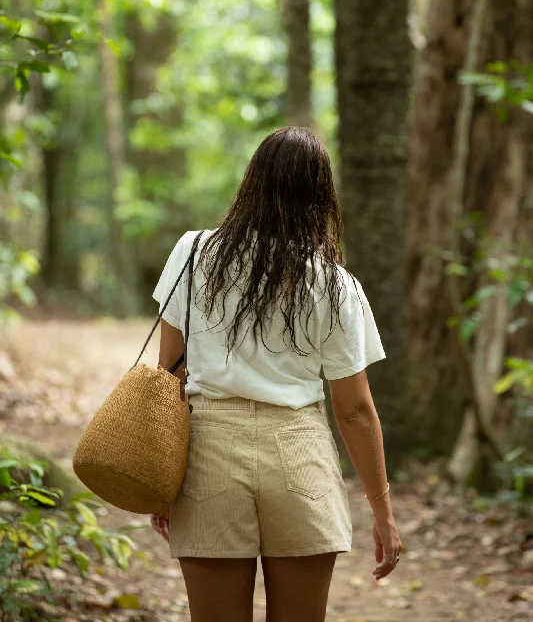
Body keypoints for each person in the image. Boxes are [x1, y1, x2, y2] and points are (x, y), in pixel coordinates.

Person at [150, 126, 402, 622]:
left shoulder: (195, 254)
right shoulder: (334, 284)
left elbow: (168, 377)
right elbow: (354, 410)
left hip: (209, 454)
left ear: (253, 182)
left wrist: (163, 479)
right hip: (298, 455)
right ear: (321, 197)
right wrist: (383, 512)